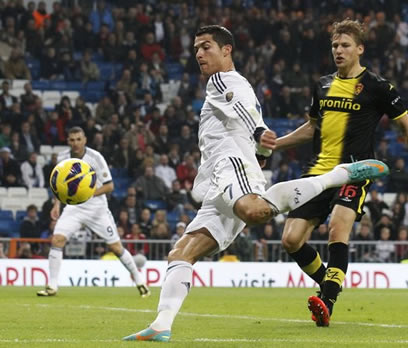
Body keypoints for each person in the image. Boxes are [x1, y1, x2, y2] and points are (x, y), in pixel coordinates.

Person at [123, 25, 389, 342]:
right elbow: (248, 115)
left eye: (206, 47)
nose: (199, 54)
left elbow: (246, 114)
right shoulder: (240, 86)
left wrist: (259, 132)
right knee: (181, 253)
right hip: (217, 181)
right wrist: (261, 150)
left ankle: (339, 174)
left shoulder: (223, 80)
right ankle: (161, 324)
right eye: (196, 48)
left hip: (230, 165)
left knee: (253, 211)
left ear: (226, 50)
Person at [275, 19, 408, 327]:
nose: (339, 50)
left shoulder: (378, 87)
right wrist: (274, 146)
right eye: (335, 45)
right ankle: (328, 282)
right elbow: (311, 128)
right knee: (290, 240)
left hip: (354, 172)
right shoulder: (322, 85)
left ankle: (327, 301)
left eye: (345, 45)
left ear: (360, 49)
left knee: (338, 229)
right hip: (317, 175)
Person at [36, 127, 150, 298]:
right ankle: (52, 286)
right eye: (72, 140)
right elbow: (59, 186)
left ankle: (140, 281)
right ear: (68, 141)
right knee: (57, 239)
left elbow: (109, 186)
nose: (75, 143)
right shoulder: (62, 158)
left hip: (97, 209)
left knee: (115, 247)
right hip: (74, 208)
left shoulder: (95, 157)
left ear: (85, 140)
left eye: (78, 139)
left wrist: (85, 193)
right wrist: (56, 205)